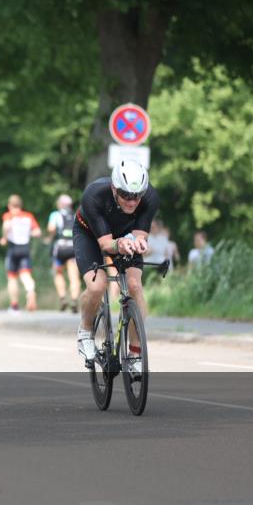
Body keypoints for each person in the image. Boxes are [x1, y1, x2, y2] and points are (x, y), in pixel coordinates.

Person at [73, 160, 159, 373]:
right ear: (114, 189)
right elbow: (105, 245)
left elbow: (140, 235)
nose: (132, 202)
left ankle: (135, 354)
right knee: (97, 286)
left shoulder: (150, 197)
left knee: (135, 285)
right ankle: (85, 331)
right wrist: (120, 244)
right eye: (126, 196)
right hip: (91, 235)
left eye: (136, 196)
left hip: (124, 235)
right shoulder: (94, 195)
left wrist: (138, 243)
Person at [0, 194, 41, 311]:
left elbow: (6, 226)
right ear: (21, 205)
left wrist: (4, 237)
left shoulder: (8, 215)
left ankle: (14, 305)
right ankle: (30, 291)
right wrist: (28, 233)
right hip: (25, 248)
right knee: (25, 275)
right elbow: (37, 232)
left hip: (13, 249)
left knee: (12, 277)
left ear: (9, 206)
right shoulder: (28, 216)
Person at [46, 194, 80, 313]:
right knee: (74, 276)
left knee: (58, 273)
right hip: (73, 248)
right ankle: (74, 299)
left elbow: (51, 229)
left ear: (59, 204)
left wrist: (49, 238)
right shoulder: (75, 215)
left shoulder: (55, 215)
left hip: (60, 248)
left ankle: (62, 297)